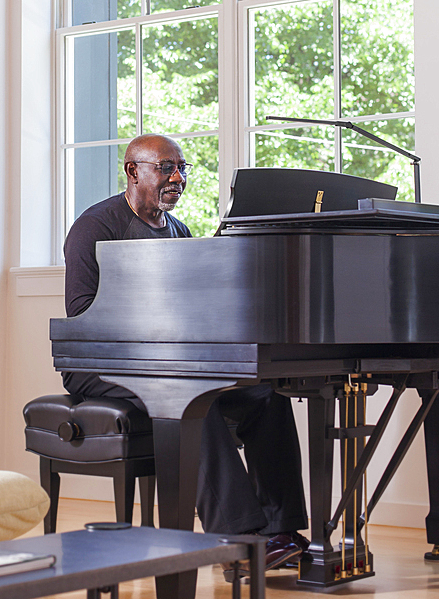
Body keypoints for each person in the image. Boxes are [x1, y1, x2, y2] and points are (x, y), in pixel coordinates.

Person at [63, 133, 309, 574]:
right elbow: (81, 312)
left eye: (182, 168)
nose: (177, 177)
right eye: (165, 168)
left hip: (166, 361)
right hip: (96, 363)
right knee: (191, 399)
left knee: (265, 398)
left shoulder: (179, 230)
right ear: (133, 171)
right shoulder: (95, 227)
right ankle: (238, 544)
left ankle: (281, 531)